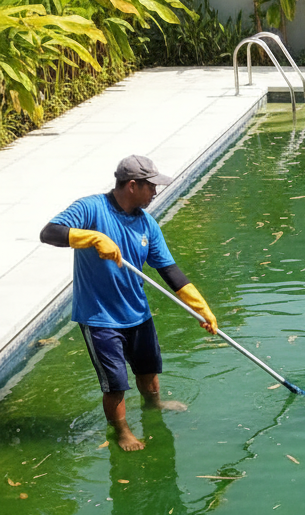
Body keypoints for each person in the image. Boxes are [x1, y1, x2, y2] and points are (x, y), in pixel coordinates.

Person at [40, 155, 218, 451]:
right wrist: (92, 238)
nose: (155, 193)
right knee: (116, 384)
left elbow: (170, 272)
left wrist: (202, 309)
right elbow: (49, 233)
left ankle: (154, 405)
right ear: (133, 186)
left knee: (148, 371)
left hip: (137, 313)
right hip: (100, 317)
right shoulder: (90, 208)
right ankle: (122, 431)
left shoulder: (147, 224)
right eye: (151, 187)